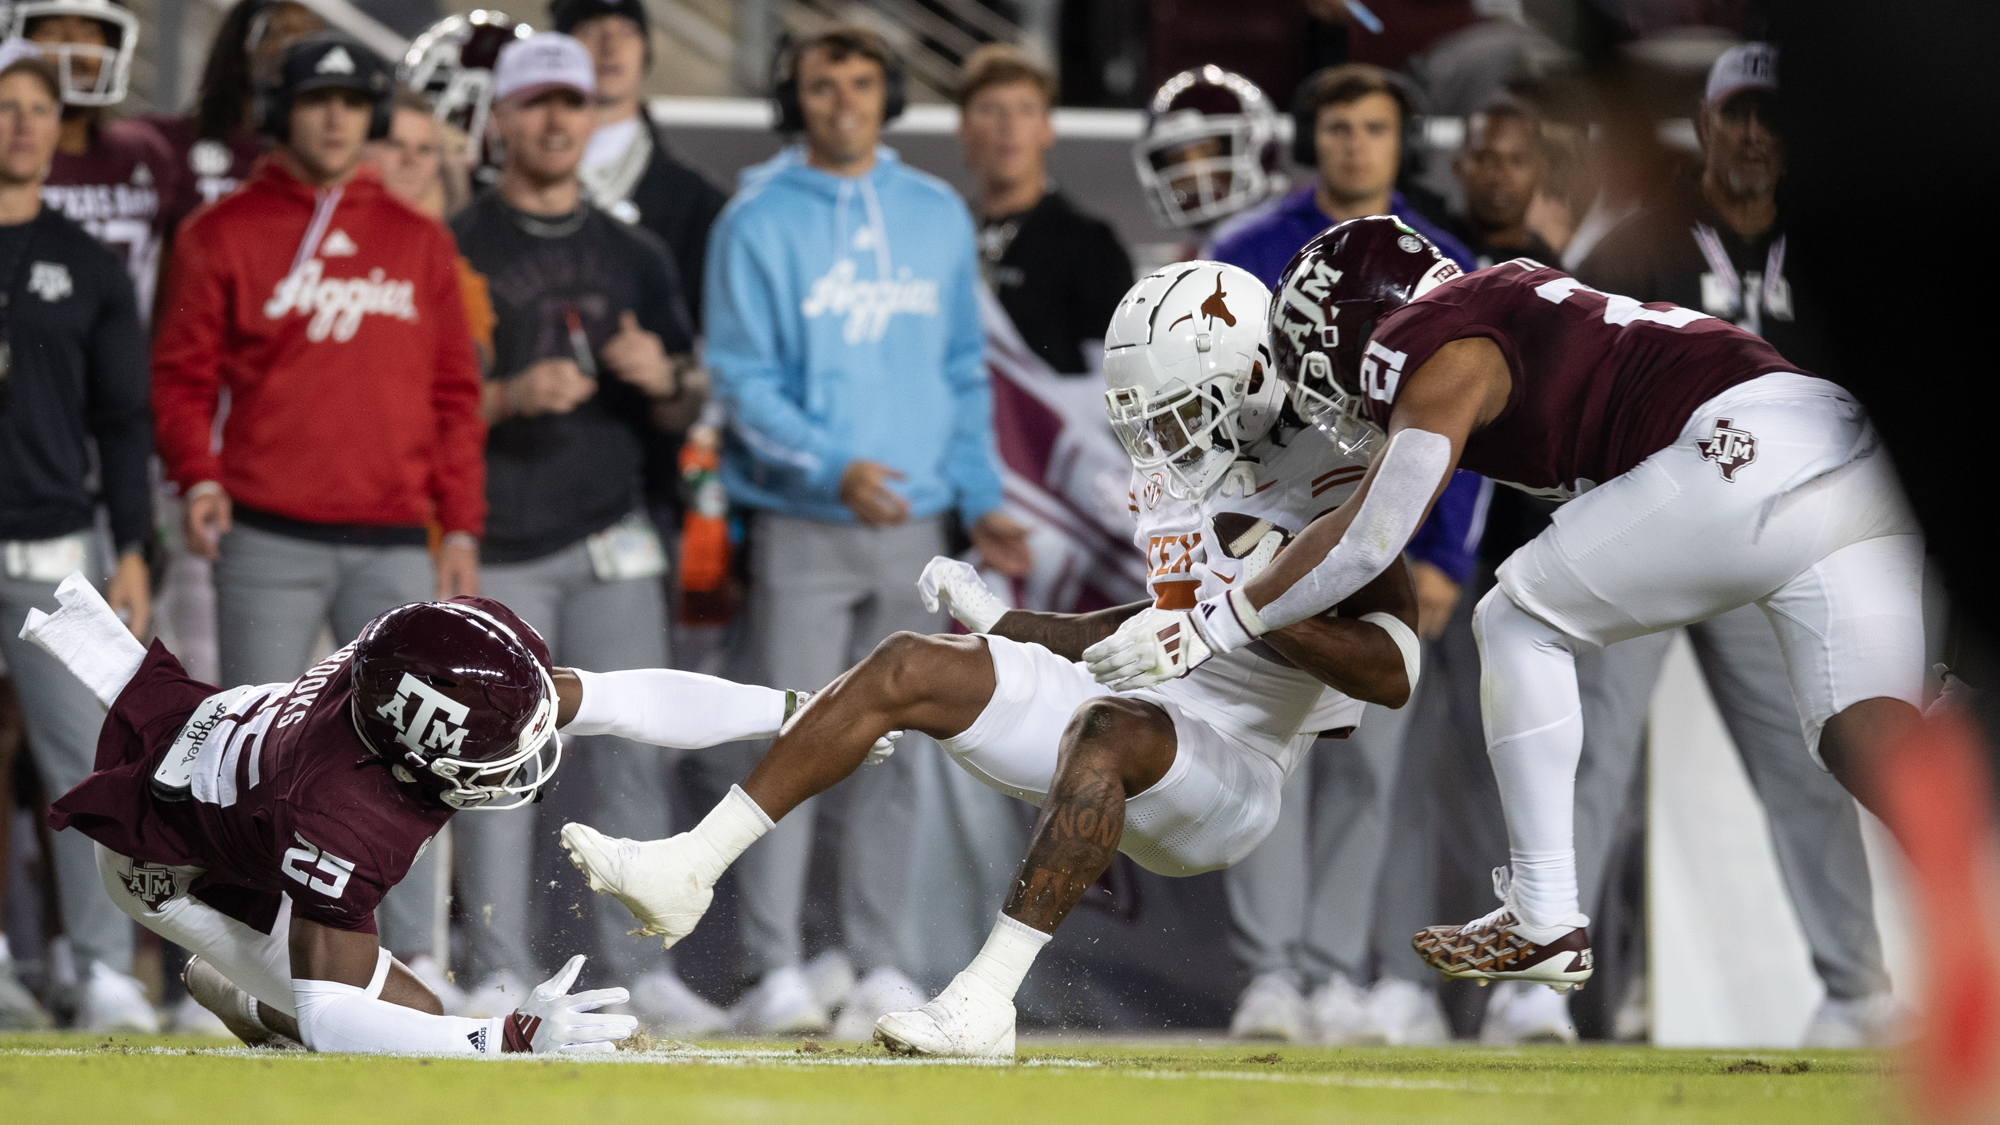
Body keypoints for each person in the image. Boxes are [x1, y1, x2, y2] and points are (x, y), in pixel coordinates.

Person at [562, 263, 1425, 1058]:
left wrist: (1249, 611)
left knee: (1106, 723)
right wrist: (1010, 622)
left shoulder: (1339, 469)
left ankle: (984, 1002)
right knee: (911, 661)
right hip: (1144, 714)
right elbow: (1151, 625)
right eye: (1143, 417)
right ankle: (691, 865)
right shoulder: (1186, 465)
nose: (1158, 437)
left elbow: (1394, 671)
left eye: (1175, 412)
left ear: (1248, 383)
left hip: (1235, 769)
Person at [1109, 216, 1921, 1000]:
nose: (1321, 391)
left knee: (1518, 615)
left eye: (1310, 353)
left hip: (1743, 447)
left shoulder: (1425, 332)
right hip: (1842, 446)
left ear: (1353, 321)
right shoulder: (1495, 305)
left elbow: (1370, 537)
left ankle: (1543, 914)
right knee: (1870, 740)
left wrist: (1211, 623)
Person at [30, 577, 874, 1053]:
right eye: (495, 756)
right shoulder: (341, 810)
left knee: (407, 1017)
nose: (531, 757)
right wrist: (505, 1036)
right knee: (415, 1022)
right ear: (410, 760)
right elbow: (335, 1014)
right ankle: (250, 1001)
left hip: (227, 768)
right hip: (171, 864)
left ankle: (254, 996)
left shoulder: (412, 667)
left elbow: (628, 696)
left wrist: (794, 708)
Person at [699, 25, 1030, 1038]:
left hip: (919, 532)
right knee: (790, 739)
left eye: (859, 83)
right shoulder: (753, 218)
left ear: (886, 98)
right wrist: (825, 465)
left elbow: (961, 372)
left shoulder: (932, 214)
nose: (841, 99)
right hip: (802, 524)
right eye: (819, 84)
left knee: (903, 754)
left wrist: (979, 498)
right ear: (793, 98)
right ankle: (773, 968)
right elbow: (738, 380)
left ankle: (882, 962)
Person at [1568, 44, 1894, 1045]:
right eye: (1736, 114)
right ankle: (1530, 988)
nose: (1754, 134)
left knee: (1811, 760)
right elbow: (1569, 377)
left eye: (1771, 116)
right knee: (1587, 758)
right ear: (1704, 124)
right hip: (1648, 534)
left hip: (1774, 545)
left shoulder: (1837, 247)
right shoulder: (1638, 244)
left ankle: (1854, 996)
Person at [150, 32, 486, 980]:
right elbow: (179, 376)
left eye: (351, 100)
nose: (335, 116)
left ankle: (412, 955)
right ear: (282, 113)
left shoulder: (419, 239)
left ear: (370, 114)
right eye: (315, 99)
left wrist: (458, 521)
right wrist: (197, 473)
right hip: (265, 531)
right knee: (247, 760)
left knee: (413, 755)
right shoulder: (220, 231)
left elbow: (456, 393)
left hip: (391, 535)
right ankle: (238, 957)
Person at [1204, 60, 1488, 1044]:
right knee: (1264, 753)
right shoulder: (1242, 251)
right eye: (1336, 127)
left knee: (1366, 773)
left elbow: (1470, 424)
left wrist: (1448, 553)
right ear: (1309, 137)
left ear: (1397, 139)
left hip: (1393, 546)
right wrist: (1215, 537)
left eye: (1371, 127)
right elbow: (1206, 396)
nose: (1353, 143)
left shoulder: (1443, 259)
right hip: (1270, 533)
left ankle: (1332, 971)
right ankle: (1271, 975)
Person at [447, 31, 714, 1032]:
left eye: (572, 103)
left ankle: (642, 972)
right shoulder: (460, 243)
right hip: (498, 544)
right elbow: (427, 402)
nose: (556, 120)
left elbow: (690, 401)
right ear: (503, 119)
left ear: (592, 115)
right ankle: (495, 969)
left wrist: (666, 380)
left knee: (634, 758)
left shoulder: (633, 251)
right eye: (535, 104)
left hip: (612, 540)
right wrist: (504, 393)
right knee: (491, 769)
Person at [0, 42, 154, 1030]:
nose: (18, 122)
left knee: (84, 772)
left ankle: (99, 969)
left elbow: (124, 420)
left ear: (61, 127)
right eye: (3, 104)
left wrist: (134, 544)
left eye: (35, 108)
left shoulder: (89, 261)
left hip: (57, 547)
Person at [955, 44, 1131, 378]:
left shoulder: (1091, 244)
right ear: (962, 127)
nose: (1009, 126)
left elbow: (1114, 382)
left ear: (1046, 128)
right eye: (991, 109)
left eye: (1025, 109)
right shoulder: (940, 234)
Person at [17, 1, 178, 319]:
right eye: (51, 29)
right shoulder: (11, 157)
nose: (72, 45)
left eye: (89, 30)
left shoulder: (146, 154)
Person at [143, 0, 325, 241]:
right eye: (281, 35)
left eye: (311, 40)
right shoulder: (164, 143)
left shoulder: (329, 158)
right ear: (240, 51)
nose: (297, 52)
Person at [1132, 65, 1285, 258]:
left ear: (1260, 146)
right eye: (1175, 157)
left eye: (1205, 149)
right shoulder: (1192, 253)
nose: (1190, 168)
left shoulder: (1295, 239)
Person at [1444, 99, 1559, 269]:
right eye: (1484, 158)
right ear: (1458, 167)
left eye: (1517, 161)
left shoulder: (1552, 275)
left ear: (1541, 172)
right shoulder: (1427, 244)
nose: (1500, 177)